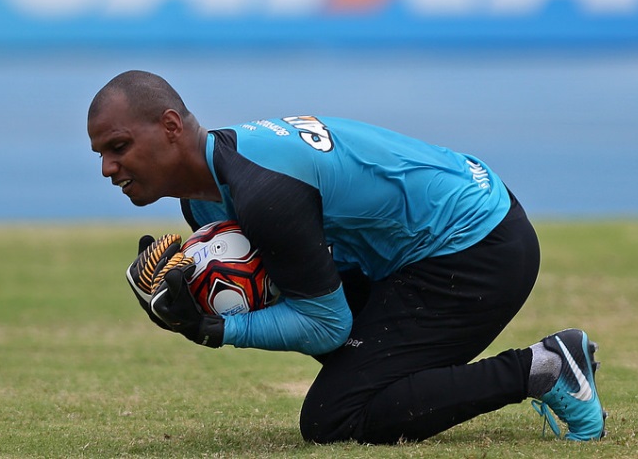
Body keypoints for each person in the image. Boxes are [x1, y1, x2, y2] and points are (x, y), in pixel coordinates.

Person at [87, 70, 607, 444]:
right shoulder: (202, 201)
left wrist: (213, 329)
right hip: (423, 248)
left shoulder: (262, 192)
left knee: (336, 418)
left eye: (119, 145)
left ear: (172, 125)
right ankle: (522, 369)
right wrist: (191, 289)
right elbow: (290, 286)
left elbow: (326, 324)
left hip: (477, 247)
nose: (109, 167)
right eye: (102, 154)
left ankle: (546, 368)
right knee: (354, 374)